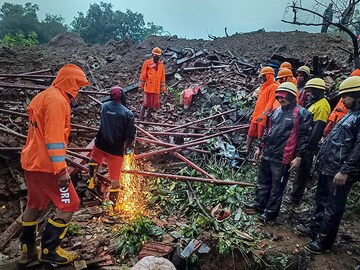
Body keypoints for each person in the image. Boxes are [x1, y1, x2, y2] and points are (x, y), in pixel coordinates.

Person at [19, 64, 90, 266]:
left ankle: (28, 250)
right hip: (47, 166)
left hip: (31, 162)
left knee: (34, 204)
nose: (79, 91)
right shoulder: (58, 102)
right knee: (70, 204)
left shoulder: (43, 96)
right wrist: (60, 170)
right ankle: (50, 250)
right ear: (72, 84)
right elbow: (54, 139)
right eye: (79, 85)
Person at [296, 76, 360, 254]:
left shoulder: (358, 118)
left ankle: (324, 242)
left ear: (356, 95)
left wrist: (345, 170)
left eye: (346, 96)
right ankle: (314, 229)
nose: (343, 100)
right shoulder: (351, 115)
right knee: (321, 199)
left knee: (333, 206)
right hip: (329, 167)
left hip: (339, 171)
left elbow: (358, 148)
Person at [245, 82, 312, 222]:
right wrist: (260, 147)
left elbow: (305, 137)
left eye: (283, 97)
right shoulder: (275, 112)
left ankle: (270, 212)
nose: (280, 99)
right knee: (263, 182)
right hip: (268, 153)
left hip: (283, 156)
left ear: (292, 96)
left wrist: (299, 156)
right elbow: (268, 132)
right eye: (278, 97)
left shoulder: (301, 113)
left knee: (277, 187)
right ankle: (259, 205)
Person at [89, 86, 135, 208]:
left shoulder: (104, 107)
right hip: (115, 149)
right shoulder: (127, 113)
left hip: (100, 143)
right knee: (115, 177)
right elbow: (129, 134)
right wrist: (128, 147)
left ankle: (91, 183)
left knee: (93, 161)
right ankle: (112, 205)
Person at [286, 78, 331, 205]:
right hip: (303, 142)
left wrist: (306, 148)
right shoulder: (315, 104)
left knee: (302, 172)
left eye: (311, 92)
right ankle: (294, 194)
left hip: (308, 145)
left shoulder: (322, 106)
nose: (309, 95)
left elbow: (317, 129)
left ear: (318, 91)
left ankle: (295, 198)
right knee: (299, 171)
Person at [246, 66, 278, 154]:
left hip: (263, 117)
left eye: (264, 76)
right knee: (250, 133)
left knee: (261, 136)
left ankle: (259, 153)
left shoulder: (273, 87)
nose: (262, 78)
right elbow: (258, 104)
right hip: (257, 114)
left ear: (268, 76)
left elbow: (270, 103)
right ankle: (246, 151)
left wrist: (263, 115)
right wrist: (253, 114)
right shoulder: (263, 87)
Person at [138, 47, 166, 121]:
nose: (157, 57)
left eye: (158, 56)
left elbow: (162, 78)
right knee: (145, 104)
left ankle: (147, 120)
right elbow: (143, 75)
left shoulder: (161, 65)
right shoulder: (147, 63)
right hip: (148, 88)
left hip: (156, 89)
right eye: (155, 56)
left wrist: (163, 89)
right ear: (152, 55)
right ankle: (140, 120)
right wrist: (140, 86)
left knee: (152, 106)